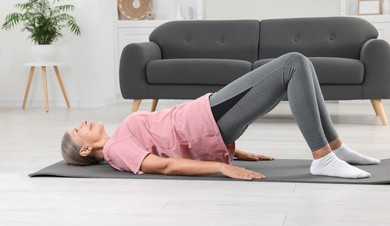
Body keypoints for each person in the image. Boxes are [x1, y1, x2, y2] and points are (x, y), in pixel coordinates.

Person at [61, 52, 380, 180]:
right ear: (86, 150)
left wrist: (236, 152)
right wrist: (221, 169)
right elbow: (166, 165)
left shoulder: (120, 140)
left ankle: (334, 147)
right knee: (293, 64)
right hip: (205, 119)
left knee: (301, 65)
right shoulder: (116, 150)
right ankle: (323, 158)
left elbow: (165, 143)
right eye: (79, 130)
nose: (84, 123)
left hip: (206, 119)